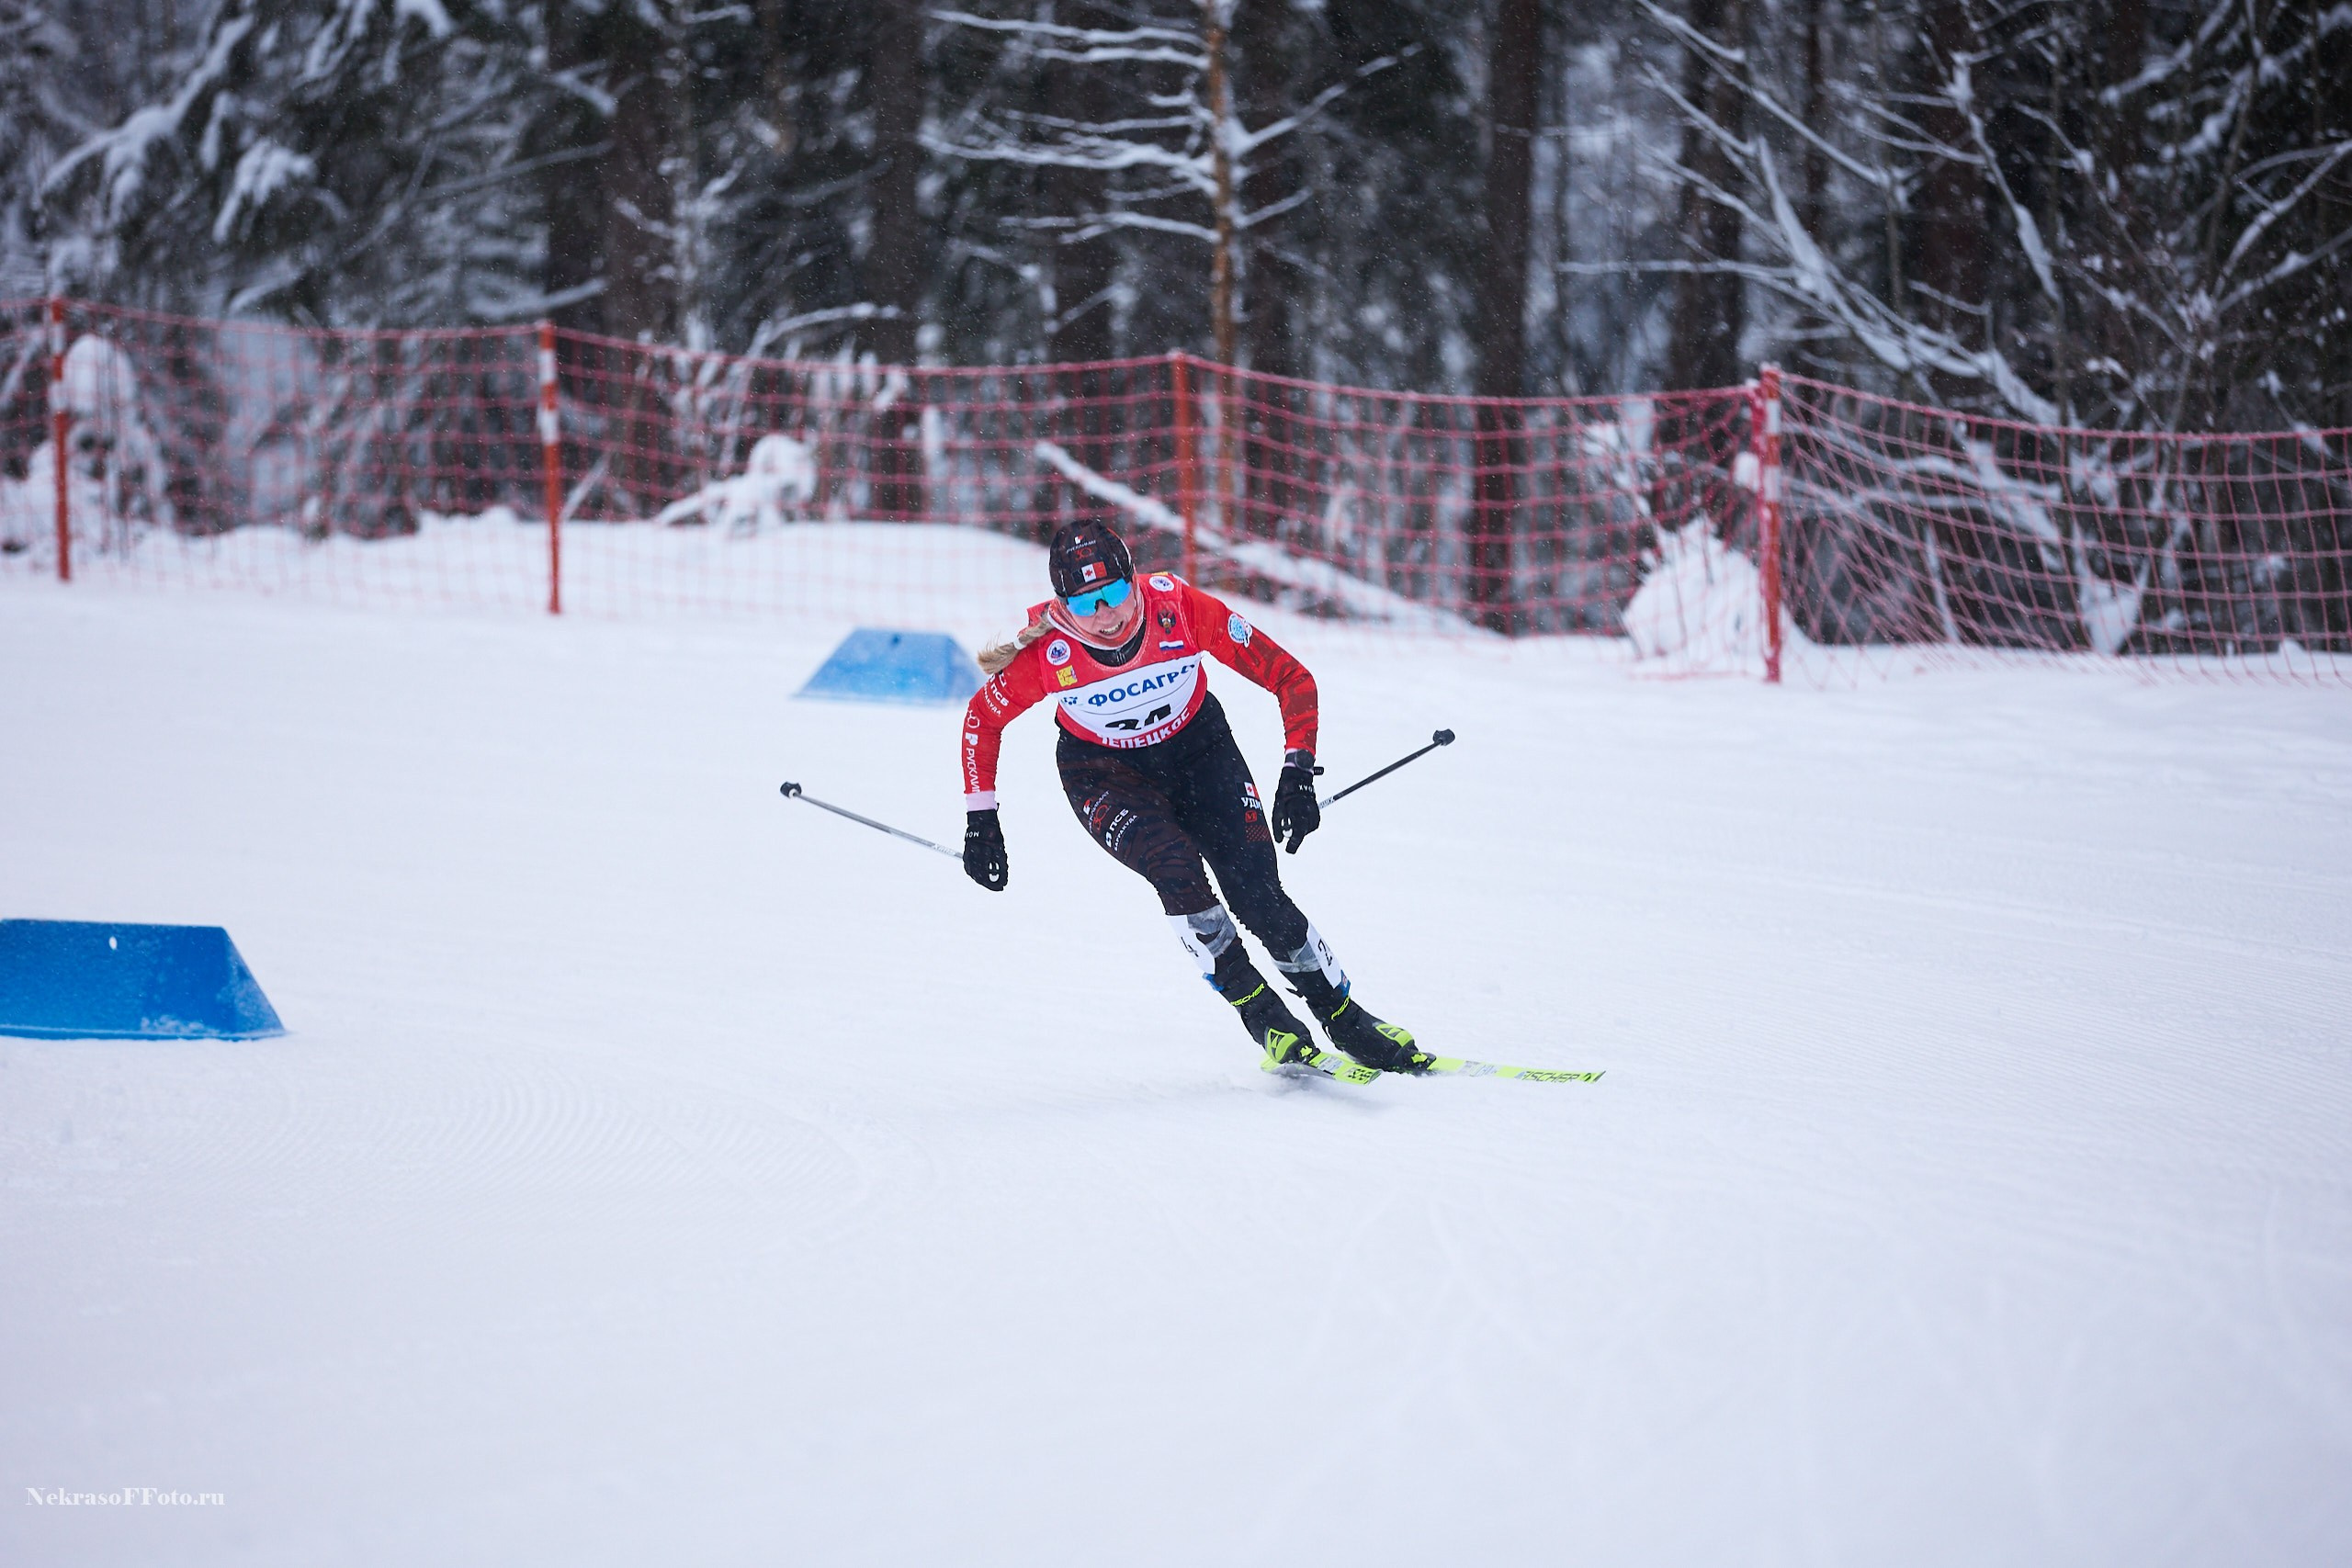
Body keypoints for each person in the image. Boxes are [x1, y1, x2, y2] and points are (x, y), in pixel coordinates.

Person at [957, 521, 1430, 1076]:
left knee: (1256, 892)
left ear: (1136, 580)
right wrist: (981, 820)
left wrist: (1298, 771)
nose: (1105, 616)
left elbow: (1293, 678)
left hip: (1199, 753)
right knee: (1176, 868)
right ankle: (1263, 1016)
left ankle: (1345, 1016)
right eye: (1085, 606)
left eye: (1113, 594)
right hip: (1105, 775)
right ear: (1062, 608)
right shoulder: (1049, 652)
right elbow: (980, 722)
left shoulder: (1178, 609)